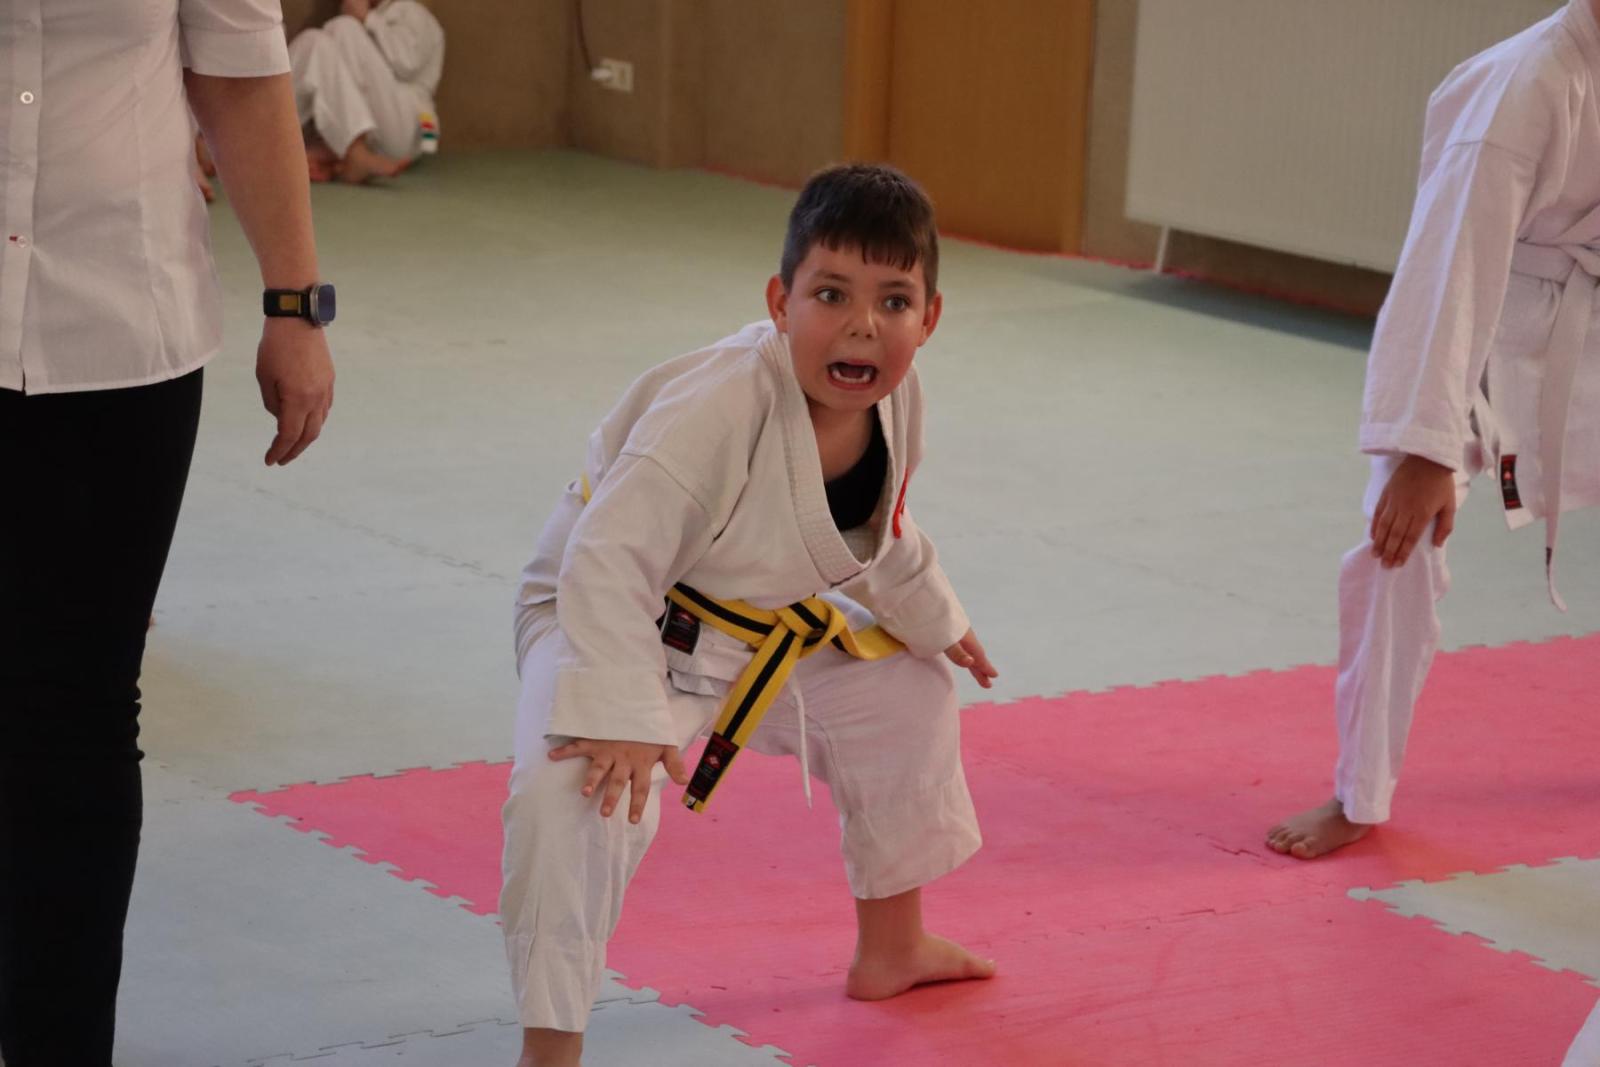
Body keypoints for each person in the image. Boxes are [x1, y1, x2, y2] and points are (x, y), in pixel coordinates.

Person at [499, 164, 998, 1067]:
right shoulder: (719, 403)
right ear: (780, 302)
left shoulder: (896, 397)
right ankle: (550, 1046)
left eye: (893, 301)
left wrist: (935, 616)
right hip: (610, 619)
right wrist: (618, 710)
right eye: (831, 294)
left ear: (929, 318)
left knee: (906, 693)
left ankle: (893, 947)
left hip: (754, 625)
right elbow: (606, 556)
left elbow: (881, 527)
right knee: (577, 792)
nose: (862, 324)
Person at [0, 2, 336, 1063]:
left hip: (122, 329)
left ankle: (59, 1043)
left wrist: (296, 304)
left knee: (81, 713)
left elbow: (239, 75)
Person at [1269, 0, 1600, 859]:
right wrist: (1427, 443)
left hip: (1587, 325)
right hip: (1486, 334)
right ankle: (1360, 789)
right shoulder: (1527, 86)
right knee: (1399, 540)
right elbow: (1449, 263)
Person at [288, 0, 444, 183]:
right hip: (371, 135)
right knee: (317, 41)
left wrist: (368, 18)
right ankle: (343, 153)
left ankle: (345, 152)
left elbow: (408, 63)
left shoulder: (411, 11)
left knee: (343, 28)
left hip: (407, 124)